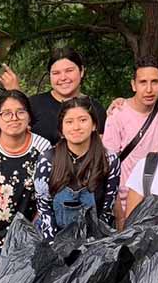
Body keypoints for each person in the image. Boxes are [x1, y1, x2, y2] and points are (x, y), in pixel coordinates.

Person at [0, 90, 51, 253]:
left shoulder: (43, 148)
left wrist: (30, 241)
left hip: (31, 234)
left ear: (29, 117)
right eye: (6, 113)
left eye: (20, 112)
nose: (14, 118)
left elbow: (47, 199)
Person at [34, 97, 120, 242]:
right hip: (55, 239)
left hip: (95, 240)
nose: (76, 127)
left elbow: (107, 210)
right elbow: (45, 210)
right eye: (69, 122)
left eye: (82, 120)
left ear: (94, 125)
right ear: (61, 128)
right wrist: (55, 250)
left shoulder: (110, 160)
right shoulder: (47, 160)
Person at [102, 56, 158, 216]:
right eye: (143, 82)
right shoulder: (118, 113)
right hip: (125, 200)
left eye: (154, 82)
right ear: (133, 84)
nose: (149, 89)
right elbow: (108, 161)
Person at [30, 47, 106, 144]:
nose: (63, 78)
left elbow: (99, 149)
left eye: (69, 71)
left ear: (81, 71)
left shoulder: (95, 109)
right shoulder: (33, 105)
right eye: (56, 73)